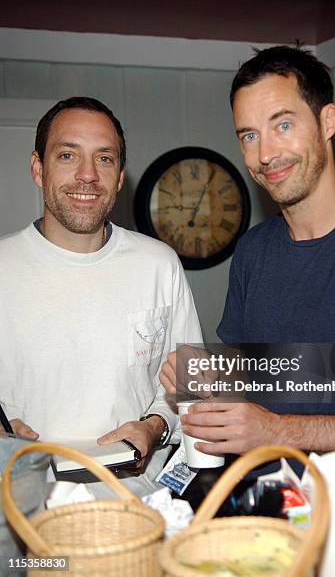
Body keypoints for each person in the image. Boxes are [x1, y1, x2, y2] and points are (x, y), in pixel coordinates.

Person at [161, 45, 335, 458]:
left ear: (328, 122)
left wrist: (280, 431)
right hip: (267, 498)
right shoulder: (252, 251)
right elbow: (251, 375)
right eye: (249, 135)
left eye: (282, 125)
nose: (265, 154)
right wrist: (200, 377)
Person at [0, 97, 202, 495]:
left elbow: (192, 383)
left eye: (104, 159)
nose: (88, 175)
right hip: (22, 506)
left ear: (121, 175)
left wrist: (154, 427)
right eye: (68, 155)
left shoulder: (159, 264)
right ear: (38, 169)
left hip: (138, 502)